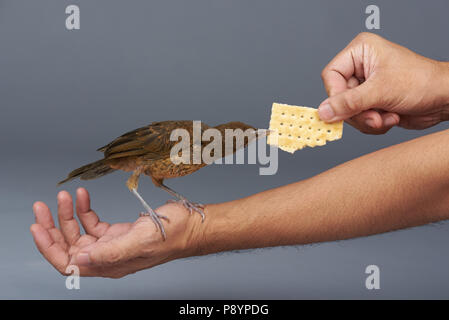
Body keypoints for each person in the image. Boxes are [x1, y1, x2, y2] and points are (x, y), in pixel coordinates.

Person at [30, 33, 449, 278]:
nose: (239, 148)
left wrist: (191, 222)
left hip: (157, 170)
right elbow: (136, 154)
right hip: (131, 160)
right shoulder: (183, 140)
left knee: (160, 183)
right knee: (139, 181)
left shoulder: (203, 150)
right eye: (237, 144)